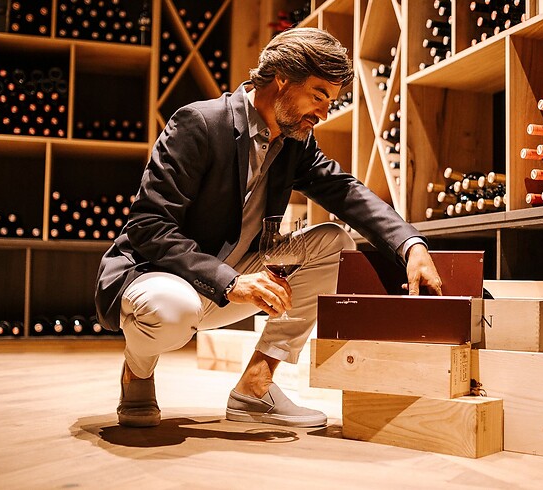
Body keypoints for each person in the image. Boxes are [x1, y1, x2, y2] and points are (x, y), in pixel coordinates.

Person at [94, 27, 443, 429]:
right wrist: (228, 281)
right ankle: (137, 372)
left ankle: (255, 387)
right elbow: (149, 226)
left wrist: (411, 245)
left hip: (233, 279)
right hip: (160, 278)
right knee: (172, 310)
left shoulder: (295, 142)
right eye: (318, 96)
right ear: (282, 78)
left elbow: (346, 191)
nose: (323, 113)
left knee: (334, 243)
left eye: (331, 101)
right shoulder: (198, 123)